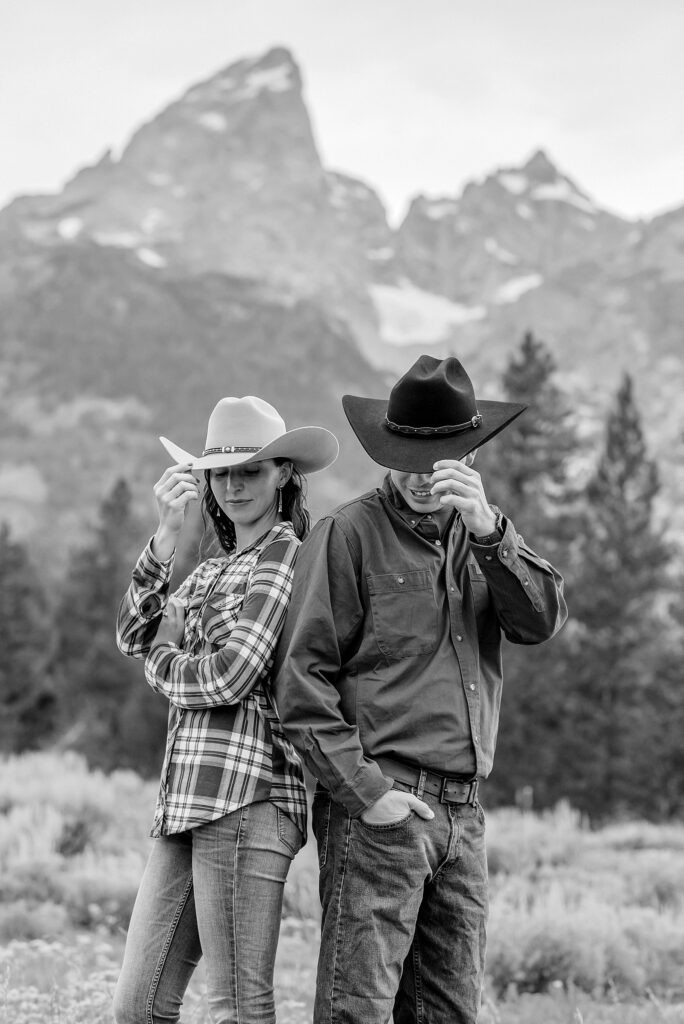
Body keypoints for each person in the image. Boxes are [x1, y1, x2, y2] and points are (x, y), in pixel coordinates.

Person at [272, 354, 568, 1024]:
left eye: (436, 459)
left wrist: (493, 534)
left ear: (466, 455)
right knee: (359, 1012)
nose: (419, 475)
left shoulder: (487, 537)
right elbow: (301, 680)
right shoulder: (347, 535)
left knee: (449, 1012)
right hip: (380, 808)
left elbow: (540, 620)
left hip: (465, 816)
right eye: (405, 455)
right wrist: (368, 795)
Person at [112, 395, 338, 1024]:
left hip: (249, 797)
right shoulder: (212, 568)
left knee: (238, 1006)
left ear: (284, 475)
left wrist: (163, 658)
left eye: (251, 471)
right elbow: (133, 632)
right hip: (187, 799)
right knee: (137, 1007)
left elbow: (231, 675)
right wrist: (164, 539)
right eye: (221, 472)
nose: (234, 485)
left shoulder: (285, 557)